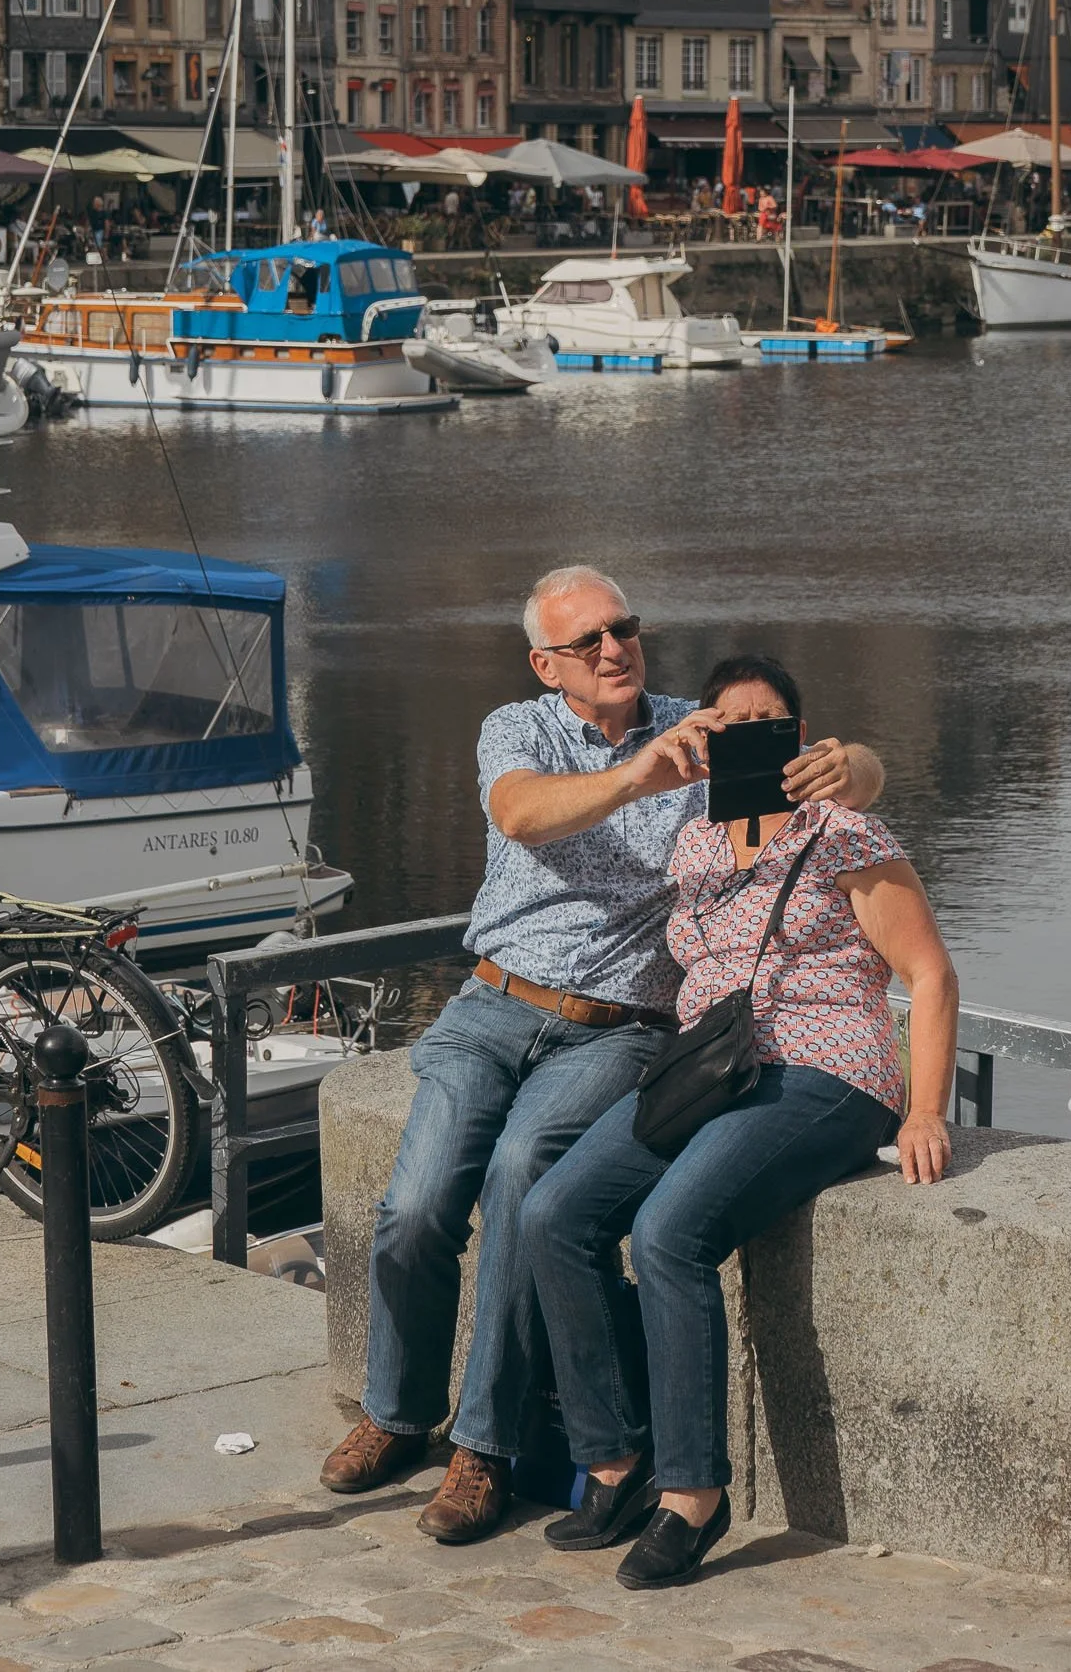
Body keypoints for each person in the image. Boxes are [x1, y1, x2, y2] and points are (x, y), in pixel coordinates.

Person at [320, 571, 883, 1545]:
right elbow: (521, 814)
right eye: (587, 641)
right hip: (492, 1005)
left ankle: (482, 1450)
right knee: (411, 1205)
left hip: (619, 1024)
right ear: (547, 664)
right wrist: (639, 776)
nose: (614, 648)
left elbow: (833, 781)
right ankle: (397, 1411)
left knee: (519, 1176)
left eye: (623, 629)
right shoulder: (519, 728)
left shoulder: (698, 725)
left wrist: (858, 764)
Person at [521, 651, 957, 1589]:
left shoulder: (844, 831)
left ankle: (693, 1496)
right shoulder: (696, 845)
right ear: (707, 745)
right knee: (554, 1213)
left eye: (769, 728)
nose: (748, 743)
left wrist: (925, 1110)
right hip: (711, 1071)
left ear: (799, 741)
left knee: (671, 1230)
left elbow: (928, 973)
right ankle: (614, 1460)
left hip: (826, 1071)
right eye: (728, 729)